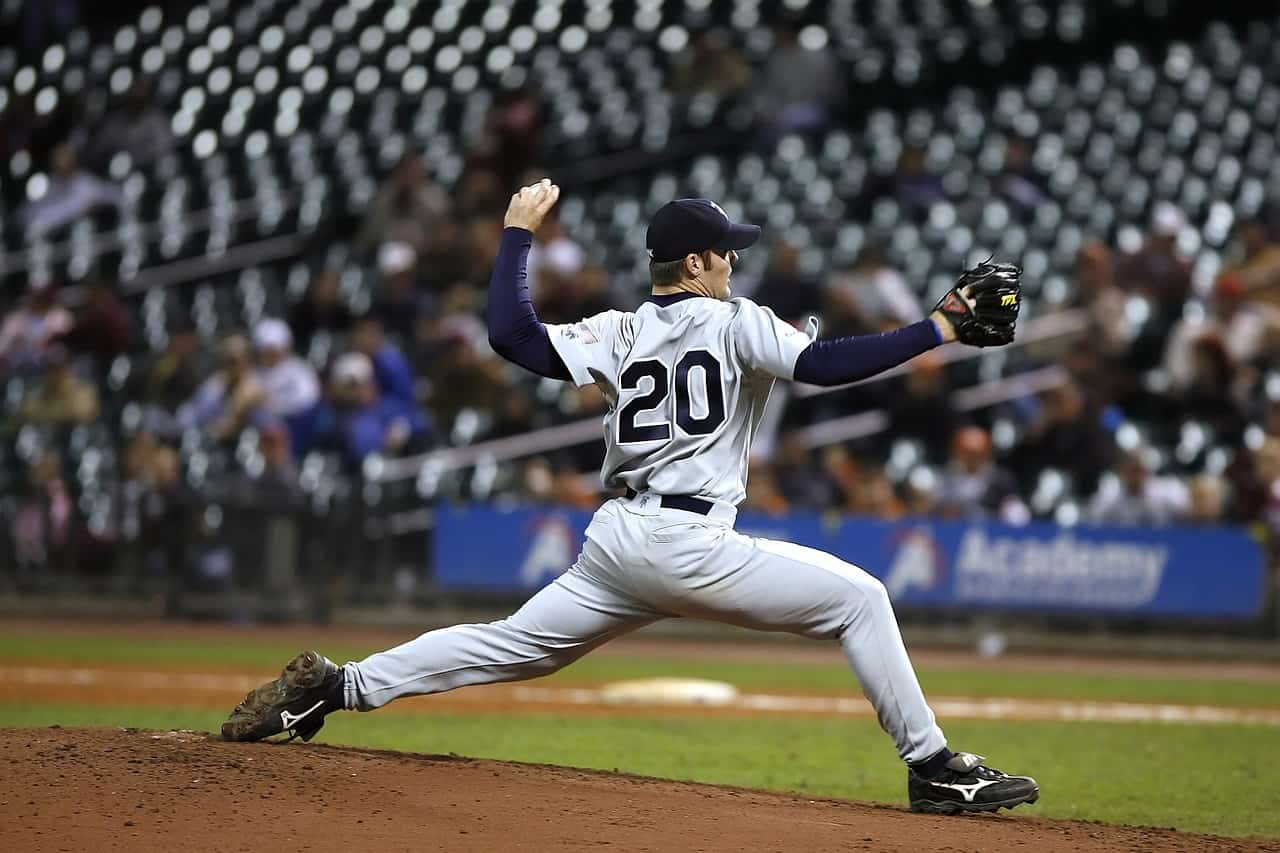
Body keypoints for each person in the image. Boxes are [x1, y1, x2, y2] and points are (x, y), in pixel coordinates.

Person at [222, 182, 1037, 816]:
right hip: (690, 543)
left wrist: (517, 232)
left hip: (618, 541)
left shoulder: (617, 330)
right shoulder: (734, 321)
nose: (731, 264)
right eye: (723, 254)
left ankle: (339, 685)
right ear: (694, 265)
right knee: (861, 599)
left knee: (511, 644)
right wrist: (943, 326)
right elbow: (823, 368)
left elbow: (510, 333)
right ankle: (933, 769)